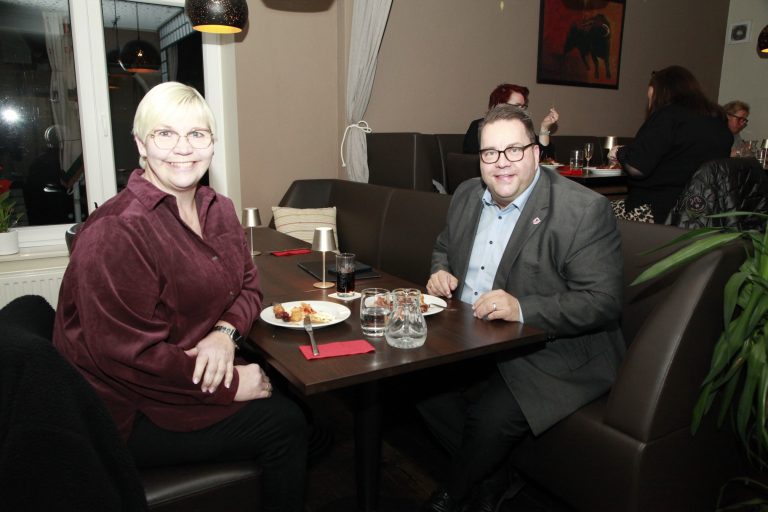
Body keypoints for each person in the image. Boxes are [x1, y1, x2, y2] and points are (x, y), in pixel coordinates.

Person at [53, 82, 307, 512]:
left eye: (196, 134)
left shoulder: (219, 208)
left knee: (296, 406)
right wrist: (230, 386)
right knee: (287, 424)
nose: (183, 148)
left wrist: (224, 335)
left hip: (175, 377)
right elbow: (129, 358)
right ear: (141, 144)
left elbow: (249, 286)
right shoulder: (118, 230)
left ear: (212, 143)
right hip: (127, 412)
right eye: (165, 133)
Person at [422, 104, 624, 512]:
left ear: (535, 153)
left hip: (549, 349)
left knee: (490, 418)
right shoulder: (466, 195)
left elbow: (602, 301)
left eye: (513, 150)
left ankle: (451, 494)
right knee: (415, 386)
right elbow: (444, 246)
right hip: (472, 336)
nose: (501, 163)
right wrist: (440, 271)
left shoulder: (582, 210)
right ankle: (493, 478)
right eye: (490, 153)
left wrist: (522, 308)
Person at [608, 66, 732, 223]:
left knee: (594, 211)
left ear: (658, 91)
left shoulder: (667, 116)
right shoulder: (718, 121)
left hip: (658, 212)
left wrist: (618, 152)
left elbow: (637, 167)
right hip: (701, 214)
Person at [462, 83, 559, 159]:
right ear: (499, 105)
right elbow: (472, 161)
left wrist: (544, 128)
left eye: (523, 107)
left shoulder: (523, 126)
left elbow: (544, 159)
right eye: (517, 106)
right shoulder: (479, 126)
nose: (522, 111)